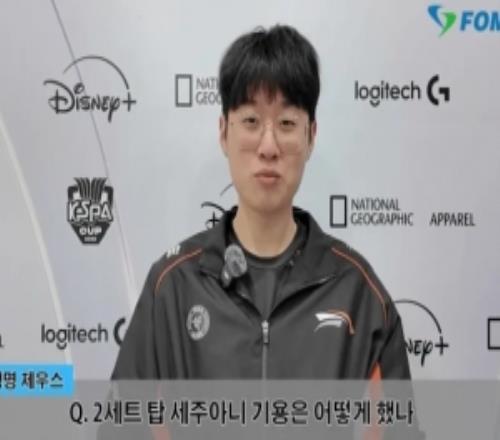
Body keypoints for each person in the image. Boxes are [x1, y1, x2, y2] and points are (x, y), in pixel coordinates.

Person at [111, 24, 412, 381]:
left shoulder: (358, 294)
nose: (268, 147)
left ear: (311, 136)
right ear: (224, 132)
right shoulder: (173, 287)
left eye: (286, 123)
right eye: (251, 121)